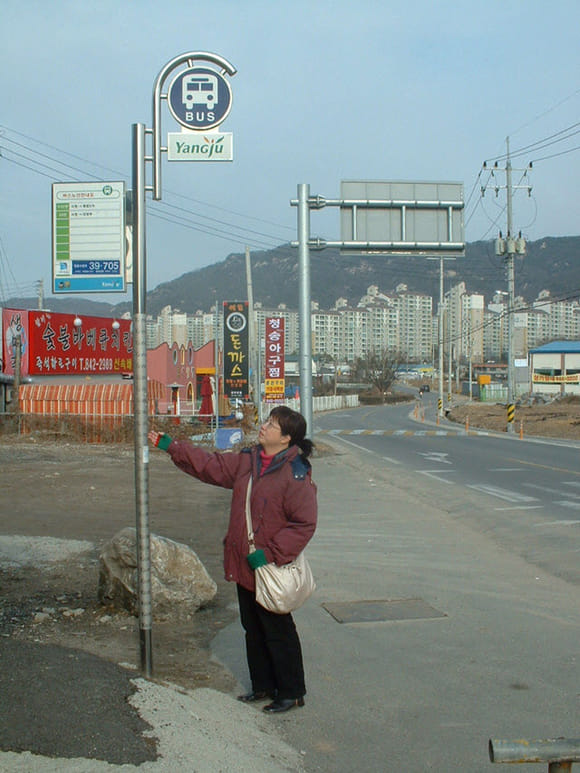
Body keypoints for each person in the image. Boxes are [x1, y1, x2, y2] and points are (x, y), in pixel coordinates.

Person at [148, 405, 317, 714]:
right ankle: (264, 686)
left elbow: (304, 524)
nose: (263, 427)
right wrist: (172, 446)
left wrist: (270, 554)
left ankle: (292, 691)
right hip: (244, 562)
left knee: (277, 630)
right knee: (252, 627)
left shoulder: (296, 474)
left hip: (269, 566)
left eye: (272, 424)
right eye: (266, 421)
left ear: (287, 438)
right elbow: (210, 465)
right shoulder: (248, 462)